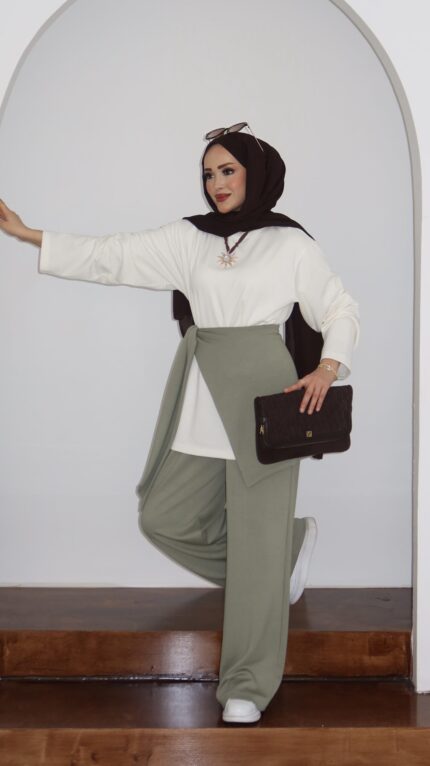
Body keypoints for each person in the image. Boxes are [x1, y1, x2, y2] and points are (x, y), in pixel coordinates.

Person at [0, 122, 359, 724]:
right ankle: (287, 551)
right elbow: (113, 255)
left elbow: (339, 305)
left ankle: (248, 684)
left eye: (227, 170)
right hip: (204, 384)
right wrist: (29, 234)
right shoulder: (190, 239)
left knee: (257, 541)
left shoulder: (290, 242)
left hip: (266, 391)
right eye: (208, 173)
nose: (216, 182)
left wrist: (328, 365)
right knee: (164, 518)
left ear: (254, 172)